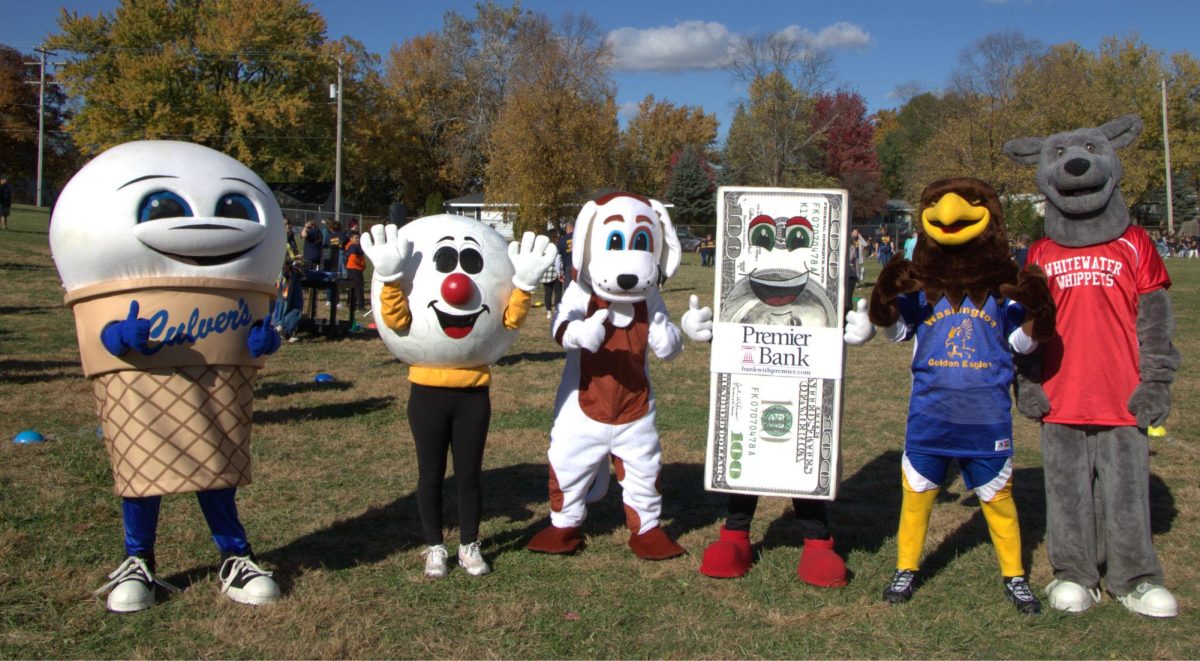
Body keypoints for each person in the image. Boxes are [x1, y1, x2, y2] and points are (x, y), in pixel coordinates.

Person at [274, 260, 304, 342]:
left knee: (294, 305)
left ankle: (285, 331)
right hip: (287, 274)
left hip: (291, 271)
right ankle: (281, 329)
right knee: (291, 305)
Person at [343, 230, 366, 317]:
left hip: (352, 268)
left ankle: (351, 303)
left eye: (358, 238)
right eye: (356, 238)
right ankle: (360, 306)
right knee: (359, 287)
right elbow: (353, 258)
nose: (358, 239)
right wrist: (361, 264)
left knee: (352, 286)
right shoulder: (353, 246)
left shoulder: (354, 246)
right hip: (355, 268)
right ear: (351, 238)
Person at [541, 230, 563, 319]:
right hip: (555, 272)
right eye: (557, 236)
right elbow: (557, 260)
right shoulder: (555, 247)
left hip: (545, 273)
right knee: (558, 293)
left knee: (547, 293)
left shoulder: (543, 247)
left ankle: (549, 312)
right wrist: (559, 273)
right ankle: (557, 311)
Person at [558, 220, 574, 288]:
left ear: (567, 228)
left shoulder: (562, 240)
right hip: (581, 268)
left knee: (568, 292)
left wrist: (559, 273)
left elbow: (557, 258)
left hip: (568, 269)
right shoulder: (582, 237)